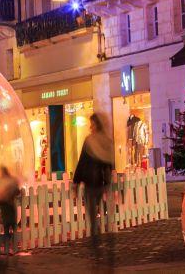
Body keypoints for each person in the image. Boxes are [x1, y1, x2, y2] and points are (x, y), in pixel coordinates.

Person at [73, 113, 114, 267]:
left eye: (92, 124)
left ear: (98, 124)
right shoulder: (101, 142)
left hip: (95, 184)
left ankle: (99, 249)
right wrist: (76, 182)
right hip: (96, 184)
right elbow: (84, 162)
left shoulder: (94, 142)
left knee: (98, 219)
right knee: (97, 218)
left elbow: (84, 162)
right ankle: (99, 248)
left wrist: (76, 182)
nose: (90, 127)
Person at [0, 166, 20, 271]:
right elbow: (17, 191)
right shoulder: (9, 183)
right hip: (9, 210)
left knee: (8, 230)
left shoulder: (5, 185)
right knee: (11, 230)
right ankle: (11, 251)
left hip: (7, 211)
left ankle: (9, 251)